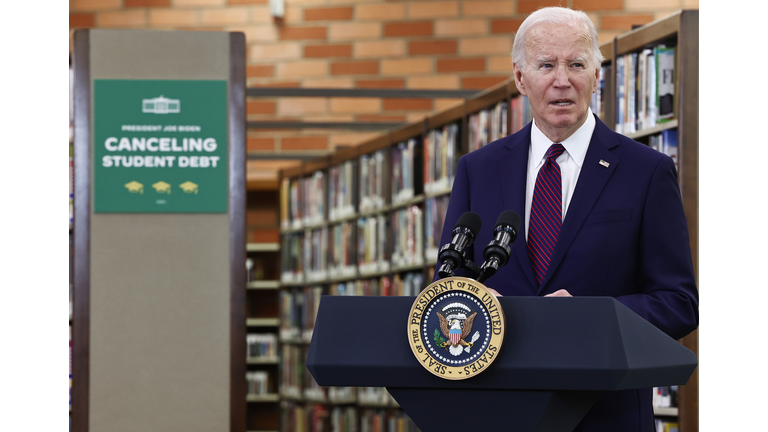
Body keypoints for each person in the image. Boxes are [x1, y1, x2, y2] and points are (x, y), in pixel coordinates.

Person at [433, 6, 698, 432]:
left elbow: (679, 303)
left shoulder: (646, 171)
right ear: (520, 77)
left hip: (605, 417)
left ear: (597, 75)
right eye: (546, 65)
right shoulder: (477, 169)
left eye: (576, 64)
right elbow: (446, 288)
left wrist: (590, 316)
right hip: (497, 413)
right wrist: (478, 309)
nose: (562, 80)